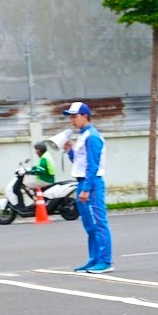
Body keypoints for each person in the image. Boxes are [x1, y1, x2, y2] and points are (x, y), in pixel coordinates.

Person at [62, 102, 112, 274]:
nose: (72, 120)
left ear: (85, 115)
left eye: (74, 117)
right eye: (70, 117)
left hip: (91, 183)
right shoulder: (83, 136)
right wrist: (70, 151)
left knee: (98, 223)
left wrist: (86, 189)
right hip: (82, 181)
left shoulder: (92, 136)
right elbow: (80, 162)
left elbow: (93, 165)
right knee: (89, 225)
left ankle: (104, 261)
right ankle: (93, 259)